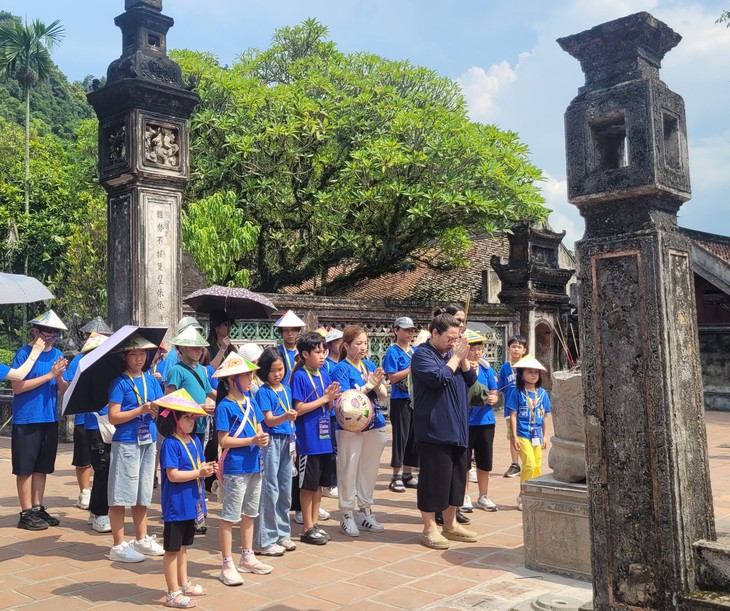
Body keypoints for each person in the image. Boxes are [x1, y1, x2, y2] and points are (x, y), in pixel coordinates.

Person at [411, 313, 478, 550]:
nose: (453, 343)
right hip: (434, 429)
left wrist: (463, 358)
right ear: (434, 333)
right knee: (434, 480)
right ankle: (429, 528)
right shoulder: (422, 355)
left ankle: (450, 525)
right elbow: (437, 379)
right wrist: (456, 358)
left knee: (455, 479)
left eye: (456, 338)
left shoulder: (453, 355)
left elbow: (471, 379)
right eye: (449, 338)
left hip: (458, 427)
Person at [213, 352, 272, 585]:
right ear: (232, 379)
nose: (250, 380)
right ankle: (227, 562)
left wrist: (261, 437)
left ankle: (247, 556)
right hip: (236, 467)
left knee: (250, 513)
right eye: (246, 376)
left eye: (250, 375)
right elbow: (223, 440)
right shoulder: (225, 406)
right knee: (230, 516)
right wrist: (252, 440)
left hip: (255, 464)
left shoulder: (251, 401)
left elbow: (258, 427)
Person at [155, 389, 217, 609]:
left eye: (193, 417)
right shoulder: (171, 444)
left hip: (191, 502)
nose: (192, 421)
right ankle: (172, 592)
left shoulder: (194, 440)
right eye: (187, 417)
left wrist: (208, 468)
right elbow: (173, 475)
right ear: (174, 419)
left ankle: (183, 583)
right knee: (172, 549)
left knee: (183, 547)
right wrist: (199, 472)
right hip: (176, 505)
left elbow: (198, 465)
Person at [107, 333, 165, 563]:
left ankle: (141, 538)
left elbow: (162, 406)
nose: (139, 358)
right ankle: (118, 544)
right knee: (121, 493)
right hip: (127, 441)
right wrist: (140, 410)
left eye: (143, 354)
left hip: (148, 439)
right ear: (125, 357)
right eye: (134, 354)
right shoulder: (119, 383)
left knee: (143, 492)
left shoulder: (151, 381)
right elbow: (113, 416)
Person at [11, 310, 68, 531]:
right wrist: (49, 376)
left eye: (55, 334)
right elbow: (17, 387)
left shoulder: (58, 355)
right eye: (47, 334)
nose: (51, 338)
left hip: (49, 417)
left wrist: (60, 377)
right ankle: (25, 512)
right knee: (25, 467)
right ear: (36, 331)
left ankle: (37, 507)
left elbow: (63, 389)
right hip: (27, 418)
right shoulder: (24, 353)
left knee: (42, 466)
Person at [331, 325, 388, 537]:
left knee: (369, 469)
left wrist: (378, 384)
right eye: (358, 343)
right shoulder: (341, 369)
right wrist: (368, 385)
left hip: (374, 422)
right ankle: (346, 513)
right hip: (350, 427)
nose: (363, 347)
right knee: (348, 467)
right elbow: (346, 402)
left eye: (365, 343)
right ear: (346, 346)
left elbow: (383, 394)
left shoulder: (369, 365)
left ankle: (365, 510)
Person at [165, 326, 217, 535]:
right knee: (187, 467)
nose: (199, 351)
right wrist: (198, 408)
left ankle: (198, 512)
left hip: (200, 426)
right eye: (194, 348)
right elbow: (170, 399)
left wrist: (229, 395)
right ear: (182, 349)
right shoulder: (176, 370)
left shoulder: (201, 370)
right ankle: (187, 513)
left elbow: (209, 392)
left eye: (200, 348)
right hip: (183, 427)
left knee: (200, 466)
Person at [290, 331, 339, 545]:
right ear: (305, 354)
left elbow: (329, 407)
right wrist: (324, 398)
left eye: (323, 351)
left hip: (324, 438)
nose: (322, 356)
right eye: (317, 352)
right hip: (308, 440)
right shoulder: (300, 376)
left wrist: (332, 398)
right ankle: (306, 527)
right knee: (307, 485)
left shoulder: (324, 374)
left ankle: (315, 522)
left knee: (319, 485)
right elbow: (299, 408)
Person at [253, 347, 298, 556]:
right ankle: (266, 538)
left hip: (287, 440)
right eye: (272, 370)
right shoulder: (263, 392)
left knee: (285, 488)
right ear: (264, 371)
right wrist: (286, 417)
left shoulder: (286, 389)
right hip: (271, 441)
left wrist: (294, 442)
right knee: (269, 489)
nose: (277, 374)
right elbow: (269, 420)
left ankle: (282, 533)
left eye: (280, 369)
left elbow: (290, 422)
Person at [68, 332, 112, 531]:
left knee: (105, 470)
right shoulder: (85, 372)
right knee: (102, 468)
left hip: (109, 425)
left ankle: (96, 511)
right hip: (95, 425)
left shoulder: (110, 371)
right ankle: (100, 514)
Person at [505, 355, 551, 512]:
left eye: (536, 372)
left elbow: (545, 416)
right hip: (522, 434)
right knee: (529, 464)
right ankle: (523, 494)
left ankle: (534, 494)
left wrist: (545, 436)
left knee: (537, 465)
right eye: (529, 372)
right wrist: (514, 436)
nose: (533, 375)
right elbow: (513, 415)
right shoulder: (517, 393)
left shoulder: (543, 394)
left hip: (537, 435)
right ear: (521, 374)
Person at [382, 316, 419, 493]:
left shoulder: (415, 351)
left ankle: (408, 473)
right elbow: (392, 377)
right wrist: (410, 370)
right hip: (400, 399)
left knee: (413, 437)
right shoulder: (393, 352)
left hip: (415, 399)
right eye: (406, 330)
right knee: (400, 437)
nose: (409, 333)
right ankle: (396, 475)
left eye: (411, 330)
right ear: (396, 330)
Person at [464, 329, 499, 512]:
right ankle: (464, 495)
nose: (476, 353)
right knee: (464, 462)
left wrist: (494, 398)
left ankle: (483, 495)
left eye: (479, 349)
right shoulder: (460, 368)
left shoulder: (486, 368)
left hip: (485, 420)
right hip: (466, 422)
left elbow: (494, 391)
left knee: (484, 461)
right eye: (472, 349)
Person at [498, 335, 528, 478]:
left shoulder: (528, 365)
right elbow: (500, 387)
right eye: (513, 346)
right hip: (511, 409)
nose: (516, 349)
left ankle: (528, 463)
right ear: (508, 349)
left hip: (527, 407)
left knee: (527, 434)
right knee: (513, 436)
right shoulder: (505, 367)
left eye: (519, 347)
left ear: (524, 350)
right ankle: (515, 464)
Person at [273, 310, 306, 386]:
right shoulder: (276, 352)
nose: (290, 334)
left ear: (298, 331)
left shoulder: (303, 352)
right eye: (286, 330)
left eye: (293, 330)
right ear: (281, 333)